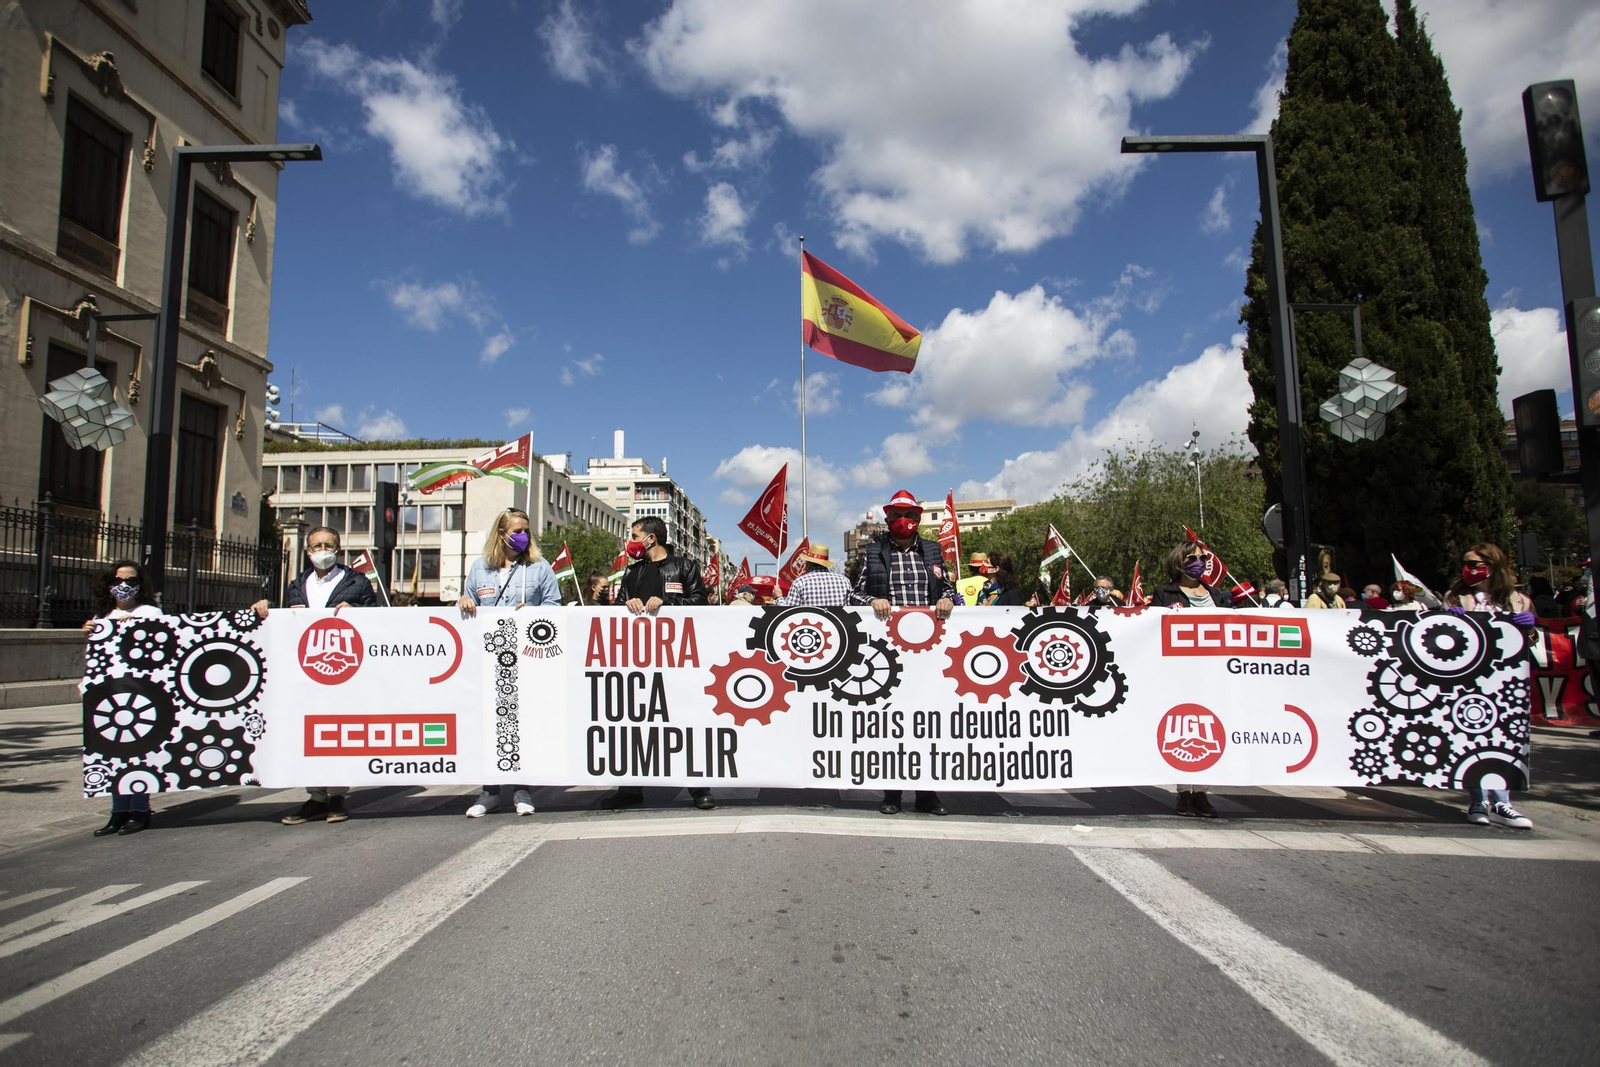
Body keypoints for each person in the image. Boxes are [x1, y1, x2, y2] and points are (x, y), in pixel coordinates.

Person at [251, 526, 378, 826]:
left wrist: (357, 611)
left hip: (345, 669)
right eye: (316, 546)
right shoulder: (296, 585)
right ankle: (316, 796)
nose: (322, 551)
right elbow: (284, 622)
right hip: (308, 671)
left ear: (338, 548)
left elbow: (377, 620)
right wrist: (265, 609)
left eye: (328, 545)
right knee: (310, 732)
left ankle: (337, 795)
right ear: (307, 551)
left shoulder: (357, 582)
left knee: (338, 730)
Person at [849, 489, 955, 816]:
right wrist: (873, 601)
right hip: (888, 652)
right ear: (888, 519)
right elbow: (854, 594)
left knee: (926, 721)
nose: (903, 521)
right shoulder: (873, 552)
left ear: (918, 519)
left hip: (928, 650)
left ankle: (927, 794)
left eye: (908, 515)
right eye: (897, 516)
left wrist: (947, 598)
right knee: (891, 722)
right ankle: (892, 792)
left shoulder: (934, 551)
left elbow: (949, 587)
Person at [606, 515, 713, 811]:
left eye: (634, 535)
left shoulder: (684, 567)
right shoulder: (632, 572)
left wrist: (668, 603)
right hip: (640, 660)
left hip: (678, 658)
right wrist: (625, 605)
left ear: (651, 538)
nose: (630, 542)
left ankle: (699, 787)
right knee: (636, 725)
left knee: (685, 722)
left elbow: (700, 602)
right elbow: (615, 611)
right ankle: (630, 788)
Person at [459, 508, 560, 818]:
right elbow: (468, 600)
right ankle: (489, 792)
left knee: (521, 724)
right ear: (501, 534)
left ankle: (521, 789)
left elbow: (554, 606)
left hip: (526, 659)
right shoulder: (479, 568)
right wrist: (463, 601)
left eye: (526, 531)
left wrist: (533, 612)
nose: (523, 536)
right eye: (517, 531)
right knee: (490, 725)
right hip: (488, 658)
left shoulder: (539, 568)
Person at [1444, 543, 1536, 830]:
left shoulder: (1518, 600)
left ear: (1492, 566)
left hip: (1506, 680)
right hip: (1469, 678)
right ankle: (1478, 800)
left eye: (1475, 564)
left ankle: (1502, 802)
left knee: (1504, 738)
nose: (1468, 569)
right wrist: (1449, 621)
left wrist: (1529, 627)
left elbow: (1530, 640)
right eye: (1466, 563)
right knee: (1471, 736)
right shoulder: (1456, 597)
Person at [1150, 540, 1229, 818]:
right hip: (1178, 672)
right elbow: (1152, 630)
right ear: (1179, 562)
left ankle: (1202, 792)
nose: (1200, 563)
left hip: (1211, 671)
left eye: (1203, 559)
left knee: (1209, 729)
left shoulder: (1216, 595)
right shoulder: (1165, 593)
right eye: (1193, 558)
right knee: (1183, 729)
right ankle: (1184, 791)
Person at [84, 561, 163, 837]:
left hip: (141, 693)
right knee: (114, 752)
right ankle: (118, 811)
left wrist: (138, 629)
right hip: (110, 694)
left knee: (138, 752)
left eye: (131, 581)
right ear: (109, 585)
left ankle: (139, 809)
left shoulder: (150, 612)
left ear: (140, 585)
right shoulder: (102, 616)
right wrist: (90, 633)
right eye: (119, 580)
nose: (124, 586)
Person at [774, 544, 851, 607]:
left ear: (808, 563)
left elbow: (789, 613)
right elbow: (850, 608)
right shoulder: (844, 581)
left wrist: (778, 598)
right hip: (837, 622)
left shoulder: (800, 583)